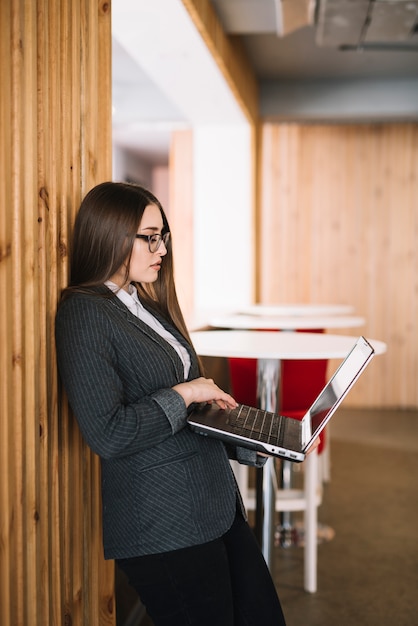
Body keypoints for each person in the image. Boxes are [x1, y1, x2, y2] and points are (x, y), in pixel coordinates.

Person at [55, 181, 287, 626]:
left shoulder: (144, 304)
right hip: (164, 523)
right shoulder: (84, 312)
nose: (161, 248)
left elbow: (192, 412)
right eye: (150, 236)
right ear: (111, 235)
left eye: (163, 236)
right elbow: (109, 433)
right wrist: (186, 392)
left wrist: (249, 439)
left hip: (213, 506)